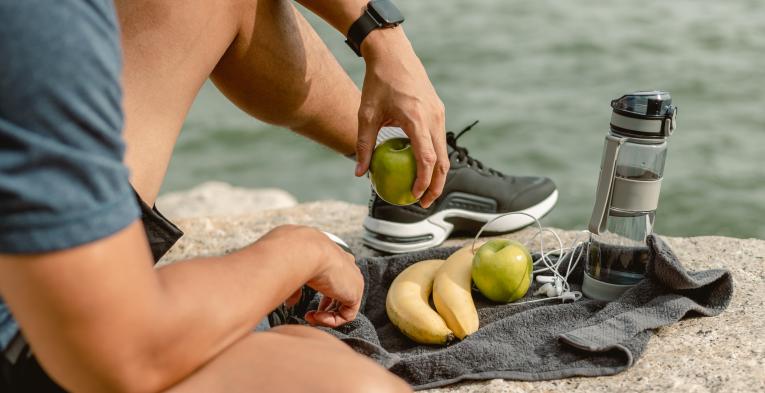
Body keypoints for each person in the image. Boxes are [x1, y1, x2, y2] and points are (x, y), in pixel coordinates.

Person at [0, 0, 446, 391]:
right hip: (30, 340)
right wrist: (298, 251)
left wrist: (381, 38)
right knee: (354, 384)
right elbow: (128, 349)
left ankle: (405, 147)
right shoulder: (38, 25)